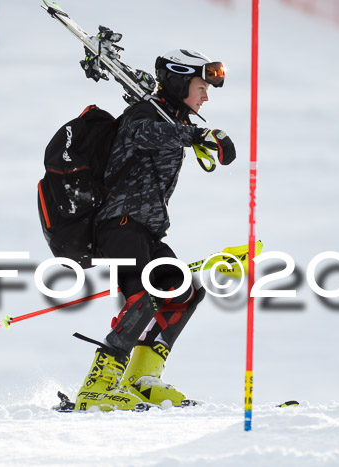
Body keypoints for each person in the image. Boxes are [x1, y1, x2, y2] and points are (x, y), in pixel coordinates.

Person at [71, 49, 236, 411]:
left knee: (183, 294)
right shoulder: (144, 116)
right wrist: (198, 135)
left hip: (145, 230)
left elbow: (171, 132)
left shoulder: (169, 116)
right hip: (119, 226)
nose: (206, 95)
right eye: (200, 85)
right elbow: (145, 133)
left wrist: (196, 135)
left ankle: (141, 379)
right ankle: (97, 386)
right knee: (141, 299)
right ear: (179, 83)